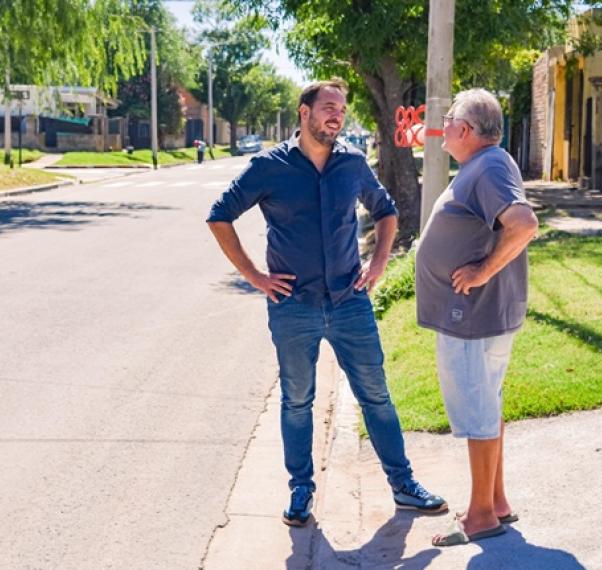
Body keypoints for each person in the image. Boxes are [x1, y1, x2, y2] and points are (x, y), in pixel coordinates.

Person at [206, 78, 447, 527]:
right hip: (293, 305)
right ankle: (301, 491)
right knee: (298, 399)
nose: (336, 115)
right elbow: (219, 215)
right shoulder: (268, 166)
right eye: (328, 107)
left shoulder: (352, 164)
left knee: (376, 394)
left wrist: (376, 265)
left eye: (340, 109)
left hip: (348, 301)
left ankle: (403, 484)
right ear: (304, 112)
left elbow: (386, 210)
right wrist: (254, 276)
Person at [415, 88, 539, 547]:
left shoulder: (486, 166)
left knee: (480, 407)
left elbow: (524, 225)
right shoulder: (487, 164)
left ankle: (481, 514)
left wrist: (483, 270)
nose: (443, 126)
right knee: (487, 402)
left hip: (471, 315)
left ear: (465, 130)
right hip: (479, 314)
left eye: (448, 120)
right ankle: (497, 500)